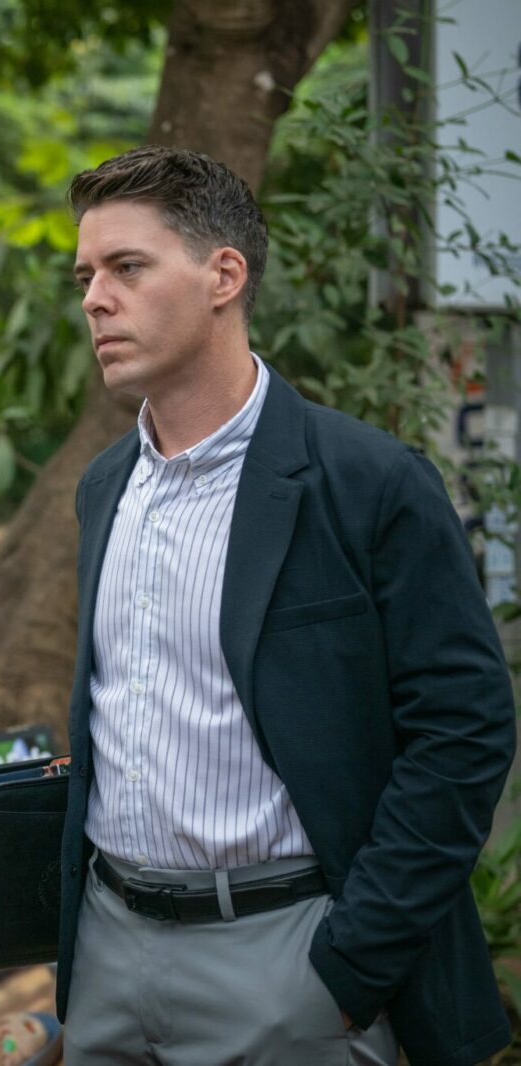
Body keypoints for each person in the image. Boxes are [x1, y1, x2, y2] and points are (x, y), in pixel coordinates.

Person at [57, 146, 517, 1063]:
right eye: (85, 276)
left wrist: (353, 964)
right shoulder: (105, 486)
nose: (94, 299)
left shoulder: (370, 483)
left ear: (224, 274)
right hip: (108, 951)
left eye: (127, 267)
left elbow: (464, 729)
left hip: (286, 959)